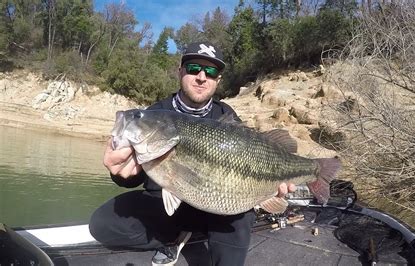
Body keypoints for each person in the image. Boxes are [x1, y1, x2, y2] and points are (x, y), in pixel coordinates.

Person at [89, 41, 296, 266]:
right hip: (167, 207)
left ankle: (197, 233)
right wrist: (119, 173)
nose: (201, 76)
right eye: (193, 68)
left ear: (217, 80)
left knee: (240, 219)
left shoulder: (226, 116)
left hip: (218, 205)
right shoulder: (155, 114)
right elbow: (135, 173)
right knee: (103, 223)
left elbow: (251, 161)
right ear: (180, 72)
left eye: (210, 71)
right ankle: (174, 237)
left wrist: (272, 191)